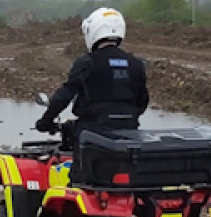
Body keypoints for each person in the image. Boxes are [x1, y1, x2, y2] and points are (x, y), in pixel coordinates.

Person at [35, 8, 149, 143]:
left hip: (93, 136)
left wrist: (45, 122)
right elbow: (142, 101)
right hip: (129, 136)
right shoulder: (136, 64)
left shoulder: (87, 62)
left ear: (93, 31)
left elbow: (64, 95)